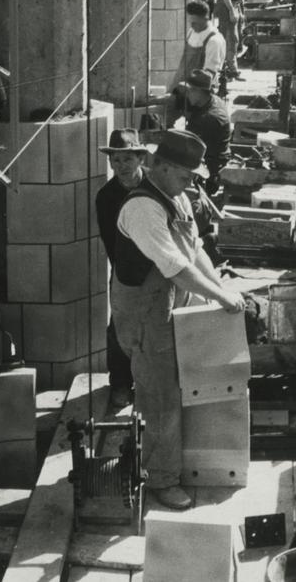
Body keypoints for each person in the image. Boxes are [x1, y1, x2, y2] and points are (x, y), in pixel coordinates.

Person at [111, 130, 245, 510]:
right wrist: (220, 297)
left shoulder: (177, 197)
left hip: (170, 304)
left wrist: (221, 288)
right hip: (144, 313)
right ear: (162, 167)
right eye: (186, 174)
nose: (191, 182)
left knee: (171, 388)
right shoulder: (142, 208)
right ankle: (160, 480)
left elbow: (194, 249)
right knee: (160, 395)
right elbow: (175, 267)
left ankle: (153, 451)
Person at [95, 129, 149, 409]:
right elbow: (110, 242)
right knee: (119, 326)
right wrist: (125, 278)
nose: (121, 167)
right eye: (115, 161)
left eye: (127, 159)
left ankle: (150, 383)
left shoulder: (155, 185)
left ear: (140, 158)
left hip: (159, 268)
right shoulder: (106, 197)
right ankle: (119, 383)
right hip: (124, 271)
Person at [165, 0, 226, 126]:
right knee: (166, 115)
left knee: (195, 123)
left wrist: (189, 88)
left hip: (198, 92)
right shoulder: (191, 32)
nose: (192, 26)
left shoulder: (214, 40)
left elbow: (209, 75)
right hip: (183, 87)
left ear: (206, 18)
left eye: (195, 23)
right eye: (190, 22)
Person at [182, 69, 231, 195]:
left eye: (190, 90)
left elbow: (189, 150)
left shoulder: (208, 119)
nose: (187, 94)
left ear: (200, 92)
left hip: (210, 172)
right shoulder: (213, 100)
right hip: (216, 156)